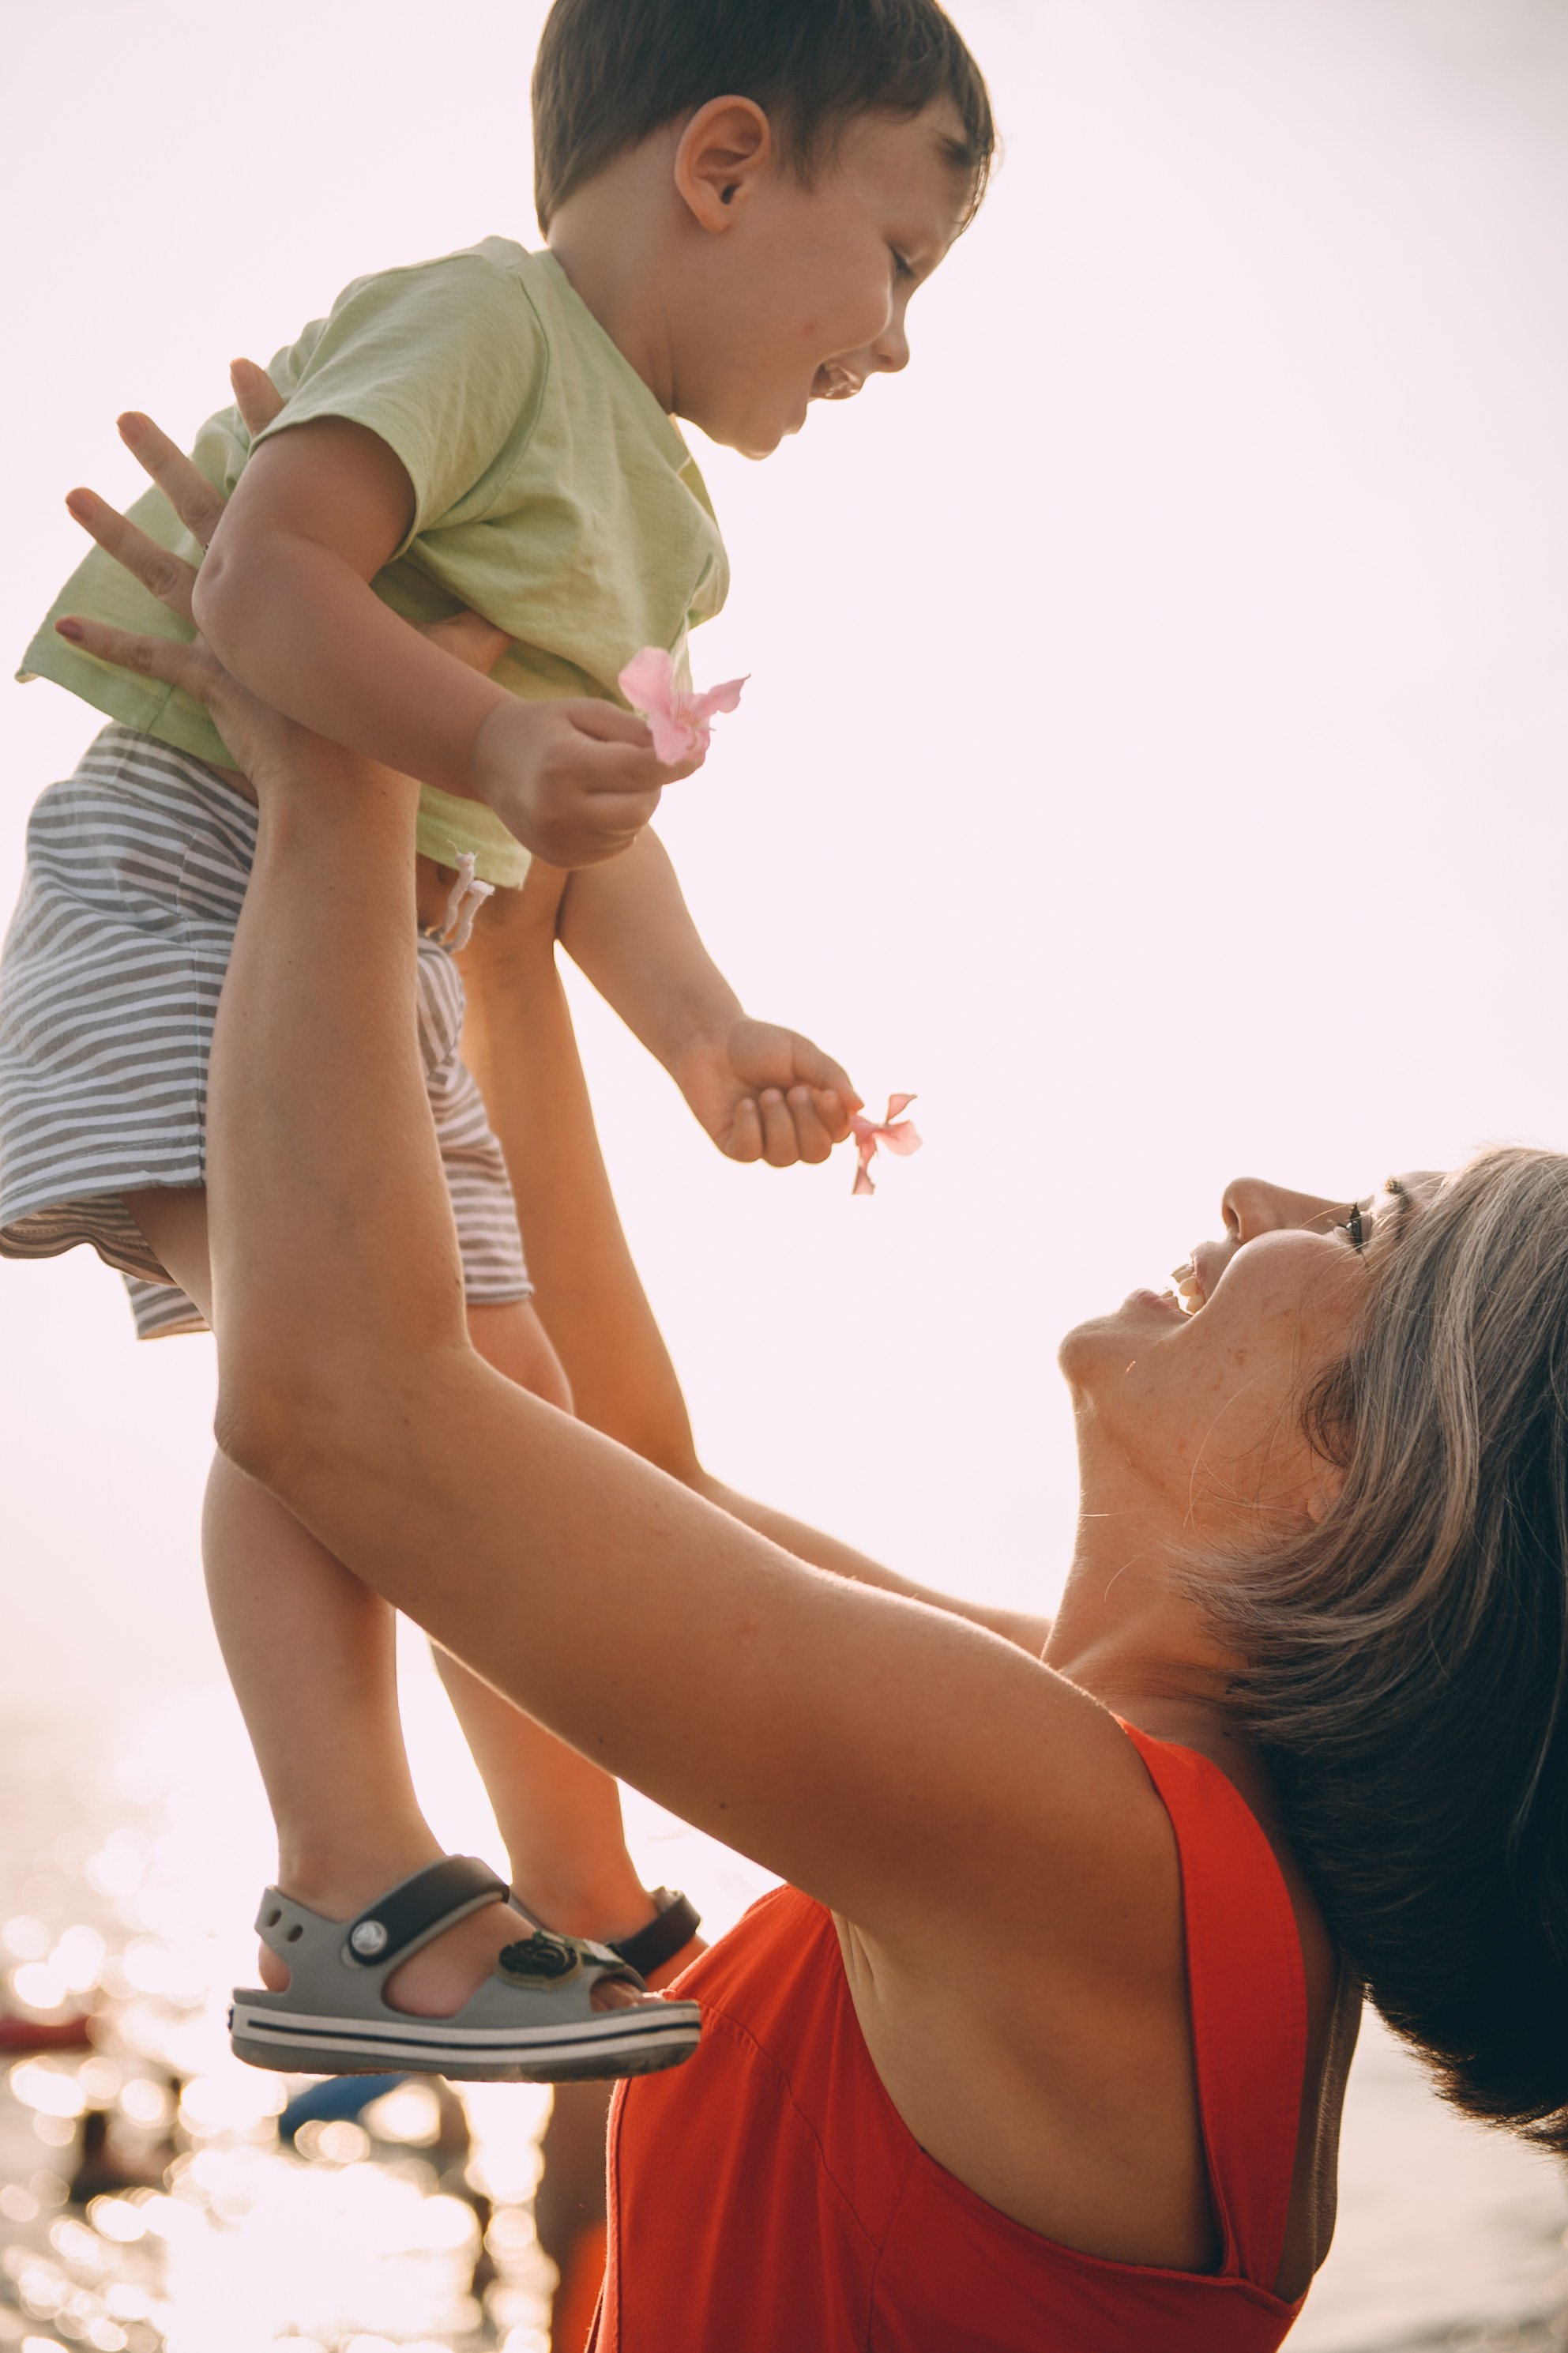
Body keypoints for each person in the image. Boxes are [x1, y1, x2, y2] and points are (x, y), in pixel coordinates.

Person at [73, 421, 1568, 2349]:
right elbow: (608, 1469)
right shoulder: (1136, 1816)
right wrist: (517, 935)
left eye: (1365, 1230)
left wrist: (335, 776)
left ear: (1371, 1495)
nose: (1259, 1199)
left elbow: (348, 1413)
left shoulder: (1108, 1864)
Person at [0, 0, 996, 2076]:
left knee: (499, 1409)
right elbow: (262, 588)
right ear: (721, 164)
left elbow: (587, 837)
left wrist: (711, 1033)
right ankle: (347, 1875)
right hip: (198, 875)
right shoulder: (479, 322)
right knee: (337, 1362)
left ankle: (587, 1898)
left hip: (390, 932)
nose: (898, 346)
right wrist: (471, 738)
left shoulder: (672, 521)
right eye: (900, 259)